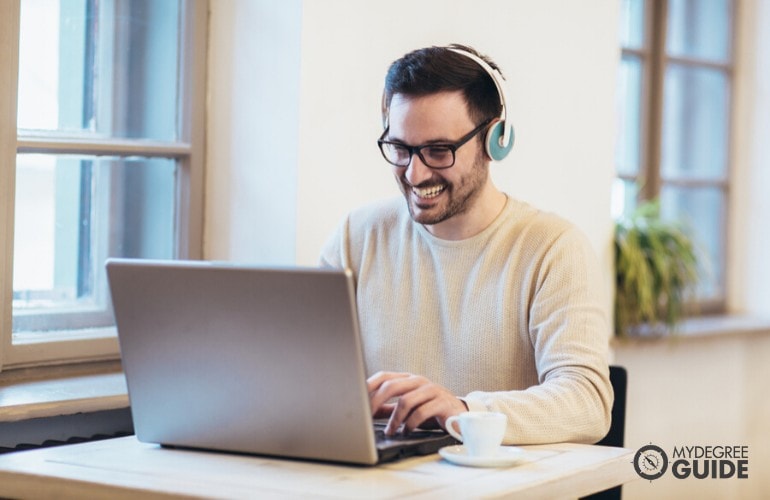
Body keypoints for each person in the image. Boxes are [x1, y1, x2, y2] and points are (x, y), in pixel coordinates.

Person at [320, 44, 612, 445]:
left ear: (495, 140)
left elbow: (588, 403)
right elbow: (308, 373)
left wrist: (464, 411)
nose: (415, 172)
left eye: (439, 151)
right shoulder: (358, 235)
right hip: (383, 482)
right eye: (401, 148)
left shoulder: (554, 248)